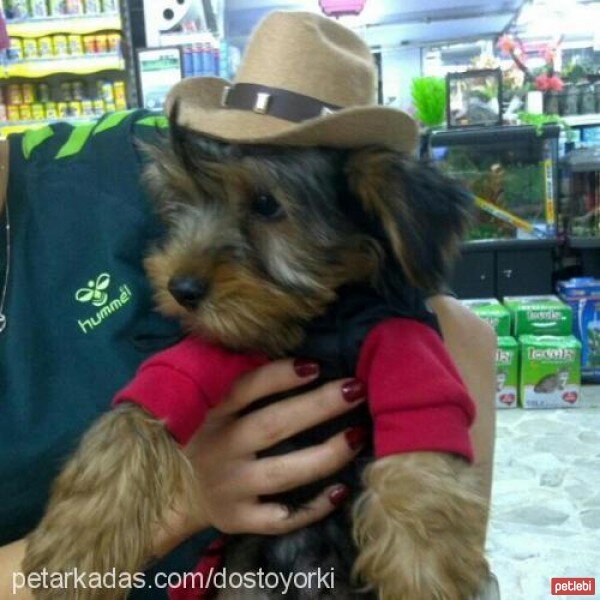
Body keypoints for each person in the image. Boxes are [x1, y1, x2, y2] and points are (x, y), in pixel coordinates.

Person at [0, 105, 496, 600]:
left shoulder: (128, 153)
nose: (186, 267)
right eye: (182, 212)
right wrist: (179, 505)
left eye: (263, 207)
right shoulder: (225, 323)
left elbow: (454, 335)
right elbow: (155, 403)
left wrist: (428, 522)